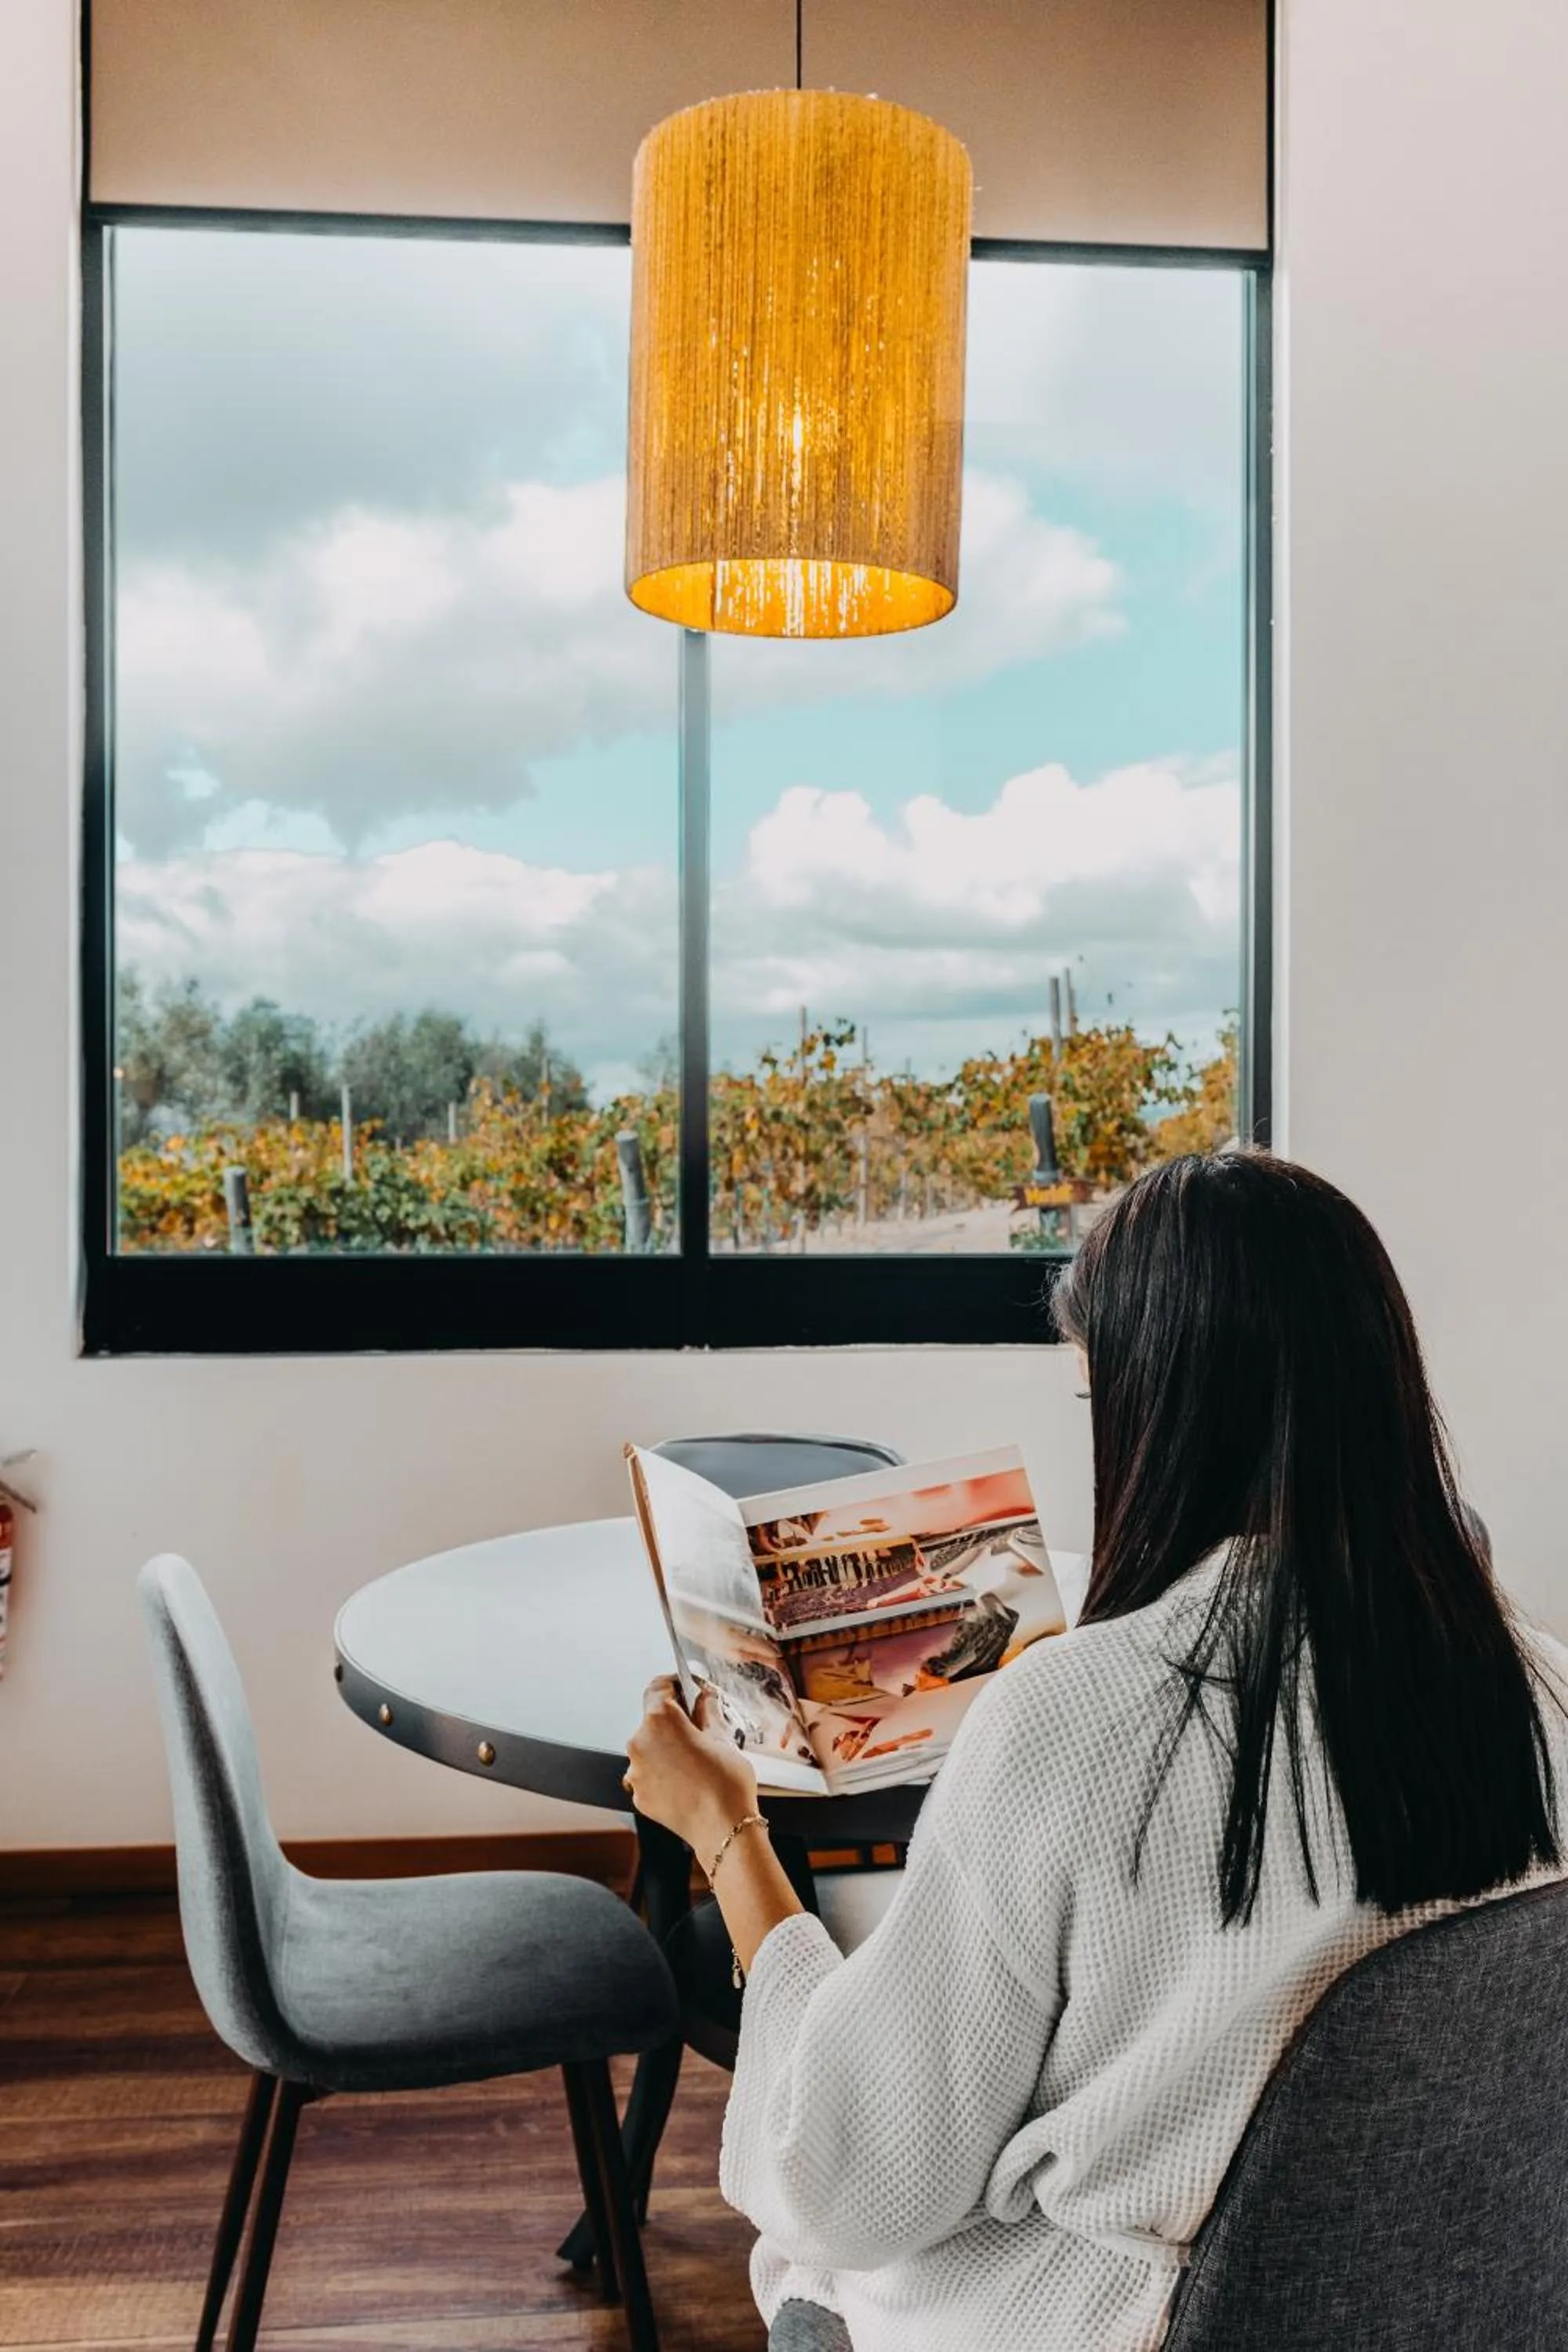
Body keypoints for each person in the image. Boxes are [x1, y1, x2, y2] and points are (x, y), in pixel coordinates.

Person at [625, 1152, 1568, 2352]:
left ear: (1161, 1410)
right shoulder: (1537, 1688)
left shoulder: (1070, 1720)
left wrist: (725, 1829)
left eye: (1097, 1398)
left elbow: (850, 2178)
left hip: (1123, 2327)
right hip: (1453, 2307)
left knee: (809, 2240)